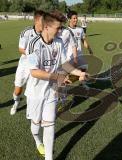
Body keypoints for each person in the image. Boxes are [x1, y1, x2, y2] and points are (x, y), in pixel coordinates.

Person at [25, 10, 87, 160]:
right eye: (58, 28)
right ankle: (37, 140)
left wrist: (78, 73)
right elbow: (34, 72)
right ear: (46, 27)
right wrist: (57, 76)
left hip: (51, 91)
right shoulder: (34, 44)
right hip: (35, 93)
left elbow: (65, 64)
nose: (61, 31)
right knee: (36, 125)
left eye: (61, 28)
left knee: (50, 124)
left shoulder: (58, 42)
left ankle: (48, 158)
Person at [10, 10, 45, 115]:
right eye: (43, 20)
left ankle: (32, 109)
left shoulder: (46, 33)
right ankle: (16, 103)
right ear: (36, 20)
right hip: (24, 65)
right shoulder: (26, 32)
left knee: (33, 90)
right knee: (18, 90)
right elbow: (21, 49)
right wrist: (33, 55)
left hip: (37, 66)